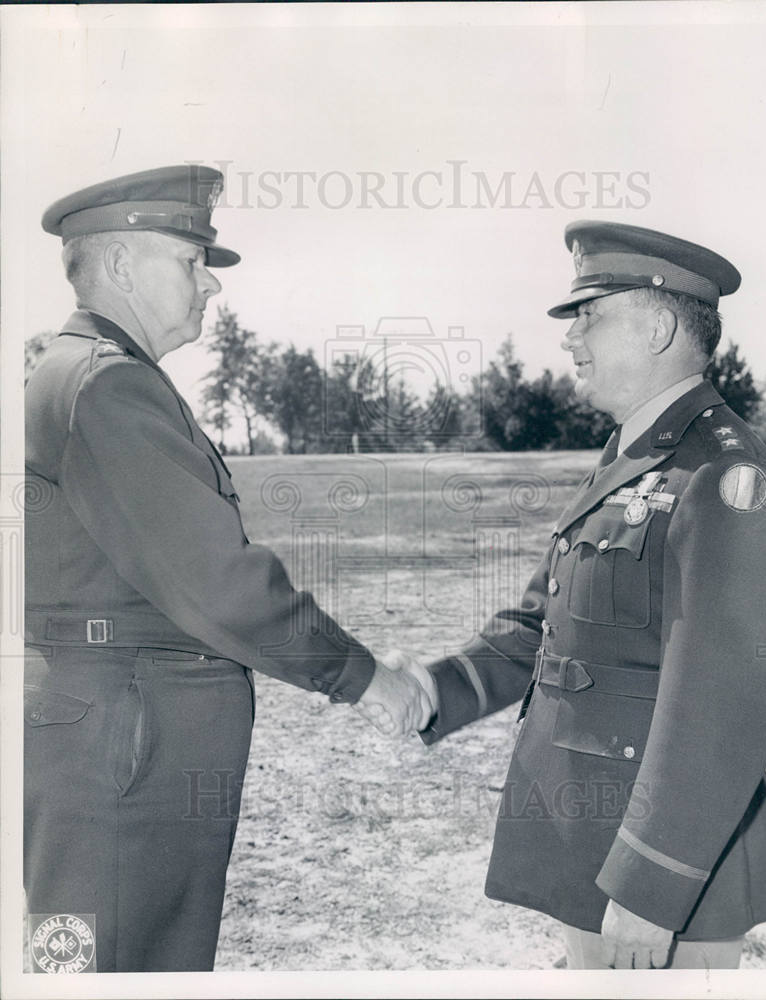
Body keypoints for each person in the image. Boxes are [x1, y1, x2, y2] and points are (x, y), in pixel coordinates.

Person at [24, 164, 431, 973]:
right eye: (189, 260)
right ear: (118, 264)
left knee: (82, 957)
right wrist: (365, 676)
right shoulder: (108, 385)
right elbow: (218, 579)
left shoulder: (79, 370)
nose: (209, 285)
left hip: (105, 728)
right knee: (112, 961)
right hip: (125, 743)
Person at [395, 221, 766, 970]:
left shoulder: (721, 474)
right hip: (587, 837)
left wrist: (650, 883)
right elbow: (551, 624)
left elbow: (730, 697)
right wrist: (436, 688)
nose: (570, 341)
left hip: (659, 881)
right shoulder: (635, 454)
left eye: (589, 315)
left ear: (661, 325)